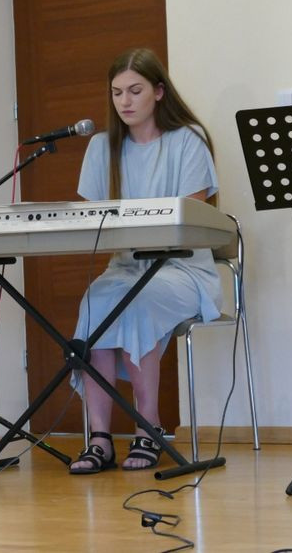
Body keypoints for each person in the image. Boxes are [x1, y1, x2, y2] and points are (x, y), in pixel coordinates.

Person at [68, 48, 222, 474]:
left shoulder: (187, 139)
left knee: (137, 301)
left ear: (158, 92)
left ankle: (147, 427)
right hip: (125, 269)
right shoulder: (101, 147)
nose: (125, 101)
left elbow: (190, 222)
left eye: (135, 91)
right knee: (95, 302)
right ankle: (99, 439)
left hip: (183, 269)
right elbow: (92, 221)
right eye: (117, 92)